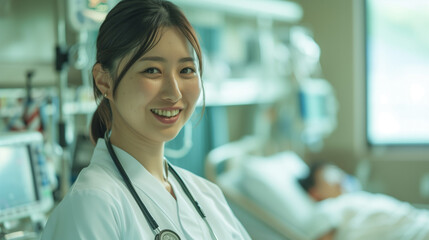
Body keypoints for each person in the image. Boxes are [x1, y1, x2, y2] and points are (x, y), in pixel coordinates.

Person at [41, 0, 250, 239]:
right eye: (152, 70)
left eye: (186, 70)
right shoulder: (93, 204)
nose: (174, 93)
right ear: (104, 81)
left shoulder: (207, 195)